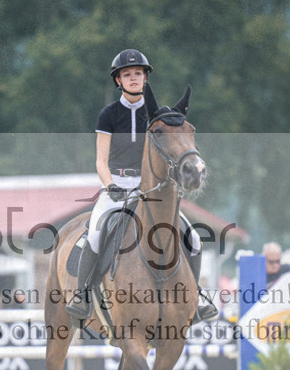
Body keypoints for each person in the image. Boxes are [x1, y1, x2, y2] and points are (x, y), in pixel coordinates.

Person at [65, 48, 217, 324]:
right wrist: (110, 185)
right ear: (118, 81)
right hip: (118, 185)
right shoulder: (109, 115)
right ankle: (82, 295)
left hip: (151, 187)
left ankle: (197, 297)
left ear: (145, 78)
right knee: (97, 232)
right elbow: (100, 160)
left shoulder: (157, 116)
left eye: (138, 73)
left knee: (193, 238)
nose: (133, 78)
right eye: (127, 74)